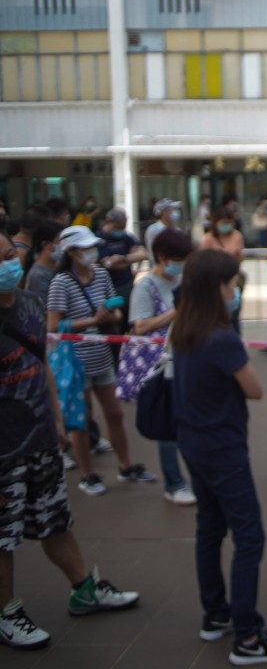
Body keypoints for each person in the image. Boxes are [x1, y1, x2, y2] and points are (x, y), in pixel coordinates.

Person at [0, 231, 140, 650]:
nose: (9, 263)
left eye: (10, 254)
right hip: (3, 451)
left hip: (40, 438)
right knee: (2, 536)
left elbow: (40, 362)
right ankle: (6, 614)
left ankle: (85, 590)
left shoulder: (27, 303)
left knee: (55, 521)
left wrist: (58, 418)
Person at [171, 249, 267, 665]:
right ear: (215, 289)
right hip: (222, 449)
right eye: (231, 284)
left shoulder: (184, 328)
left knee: (209, 528)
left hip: (192, 442)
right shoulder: (221, 338)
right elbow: (255, 388)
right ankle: (247, 635)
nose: (236, 291)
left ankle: (215, 614)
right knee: (249, 537)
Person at [47, 226, 155, 495]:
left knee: (115, 414)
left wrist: (109, 317)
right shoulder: (60, 282)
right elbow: (54, 326)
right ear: (71, 252)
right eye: (85, 248)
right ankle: (87, 473)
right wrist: (93, 321)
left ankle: (125, 465)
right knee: (81, 419)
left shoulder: (102, 274)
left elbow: (116, 312)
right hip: (75, 360)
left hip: (102, 356)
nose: (91, 252)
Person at [124, 229, 196, 506]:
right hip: (161, 364)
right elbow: (139, 325)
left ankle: (191, 477)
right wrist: (176, 311)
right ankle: (174, 482)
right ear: (162, 257)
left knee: (189, 421)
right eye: (178, 259)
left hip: (186, 358)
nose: (181, 264)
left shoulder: (183, 278)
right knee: (169, 425)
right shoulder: (146, 285)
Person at [98, 208, 147, 333]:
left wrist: (123, 259)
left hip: (127, 286)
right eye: (118, 226)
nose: (121, 230)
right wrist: (122, 262)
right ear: (108, 222)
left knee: (129, 322)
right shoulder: (98, 239)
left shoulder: (126, 237)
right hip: (107, 288)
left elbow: (142, 254)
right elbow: (104, 264)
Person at [201, 208, 246, 333]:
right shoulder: (207, 238)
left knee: (234, 314)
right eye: (223, 222)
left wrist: (235, 254)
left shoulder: (236, 235)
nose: (226, 225)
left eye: (229, 222)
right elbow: (203, 260)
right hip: (213, 282)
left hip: (232, 281)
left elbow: (240, 257)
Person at [22, 220, 64, 298]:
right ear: (46, 244)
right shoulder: (37, 276)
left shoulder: (60, 264)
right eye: (60, 241)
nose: (63, 246)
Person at [144, 198, 183, 264]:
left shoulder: (178, 230)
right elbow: (153, 252)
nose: (175, 212)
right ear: (164, 212)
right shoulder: (153, 229)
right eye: (172, 209)